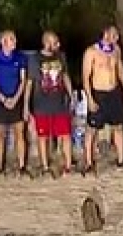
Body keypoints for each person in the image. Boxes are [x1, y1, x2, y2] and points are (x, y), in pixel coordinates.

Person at [82, 25, 123, 173]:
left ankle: (121, 159)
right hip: (98, 93)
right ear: (105, 34)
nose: (117, 38)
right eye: (114, 35)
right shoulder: (91, 52)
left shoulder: (116, 50)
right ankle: (89, 163)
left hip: (114, 93)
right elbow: (86, 77)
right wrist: (90, 99)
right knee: (92, 129)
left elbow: (121, 70)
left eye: (117, 35)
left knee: (118, 126)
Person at [0, 29, 31, 176]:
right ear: (3, 41)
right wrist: (3, 99)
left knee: (20, 134)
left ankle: (22, 166)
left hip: (16, 99)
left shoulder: (21, 58)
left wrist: (16, 98)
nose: (15, 41)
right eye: (12, 39)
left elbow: (23, 80)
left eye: (14, 38)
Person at [30, 31, 74, 176]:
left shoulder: (61, 56)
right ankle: (45, 167)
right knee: (43, 136)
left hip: (60, 102)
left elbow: (65, 76)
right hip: (41, 103)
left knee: (65, 134)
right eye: (55, 42)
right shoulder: (35, 59)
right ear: (46, 42)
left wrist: (71, 95)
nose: (58, 45)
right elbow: (30, 82)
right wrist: (26, 105)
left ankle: (68, 166)